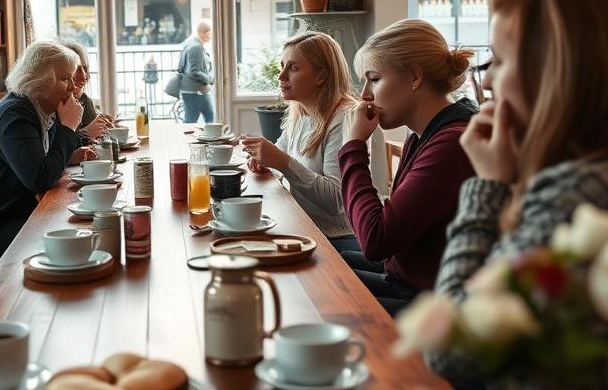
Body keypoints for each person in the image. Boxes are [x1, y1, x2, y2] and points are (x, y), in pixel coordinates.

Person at [432, 0, 608, 390]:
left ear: (554, 73)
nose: (488, 80)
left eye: (499, 59)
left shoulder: (581, 192)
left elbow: (450, 350)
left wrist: (486, 188)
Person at [339, 19, 478, 314]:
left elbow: (375, 240)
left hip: (432, 302)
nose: (365, 94)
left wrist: (353, 147)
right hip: (404, 277)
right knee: (327, 262)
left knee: (330, 301)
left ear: (415, 76)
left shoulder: (452, 143)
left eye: (374, 79)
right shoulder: (421, 132)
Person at [240, 32, 387, 253]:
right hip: (304, 226)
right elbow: (279, 156)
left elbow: (336, 202)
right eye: (282, 66)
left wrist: (282, 162)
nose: (281, 76)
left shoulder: (345, 118)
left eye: (293, 68)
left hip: (339, 237)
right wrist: (264, 160)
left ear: (321, 76)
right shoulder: (301, 111)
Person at [0, 41, 96, 265]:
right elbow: (40, 179)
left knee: (76, 220)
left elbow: (42, 163)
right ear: (40, 82)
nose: (72, 86)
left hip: (10, 217)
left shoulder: (38, 110)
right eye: (64, 78)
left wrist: (70, 154)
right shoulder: (15, 115)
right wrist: (68, 128)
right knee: (70, 226)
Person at [59, 39, 115, 143]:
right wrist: (85, 133)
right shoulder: (53, 107)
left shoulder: (84, 100)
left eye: (86, 69)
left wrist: (105, 126)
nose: (85, 76)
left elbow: (96, 141)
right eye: (77, 69)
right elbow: (56, 151)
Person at [177, 19, 215, 123]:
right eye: (210, 33)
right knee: (197, 119)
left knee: (205, 116)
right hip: (195, 91)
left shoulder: (190, 43)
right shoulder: (196, 47)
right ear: (203, 33)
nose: (211, 36)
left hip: (193, 90)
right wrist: (210, 79)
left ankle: (207, 137)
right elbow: (194, 71)